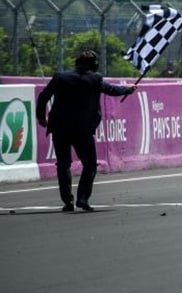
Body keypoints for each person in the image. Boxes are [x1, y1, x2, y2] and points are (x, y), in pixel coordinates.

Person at [35, 49, 136, 212]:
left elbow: (43, 96)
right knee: (89, 165)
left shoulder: (60, 77)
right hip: (82, 130)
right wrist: (128, 90)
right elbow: (111, 90)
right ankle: (82, 198)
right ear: (93, 65)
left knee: (63, 164)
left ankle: (68, 201)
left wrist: (41, 117)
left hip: (60, 128)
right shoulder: (95, 79)